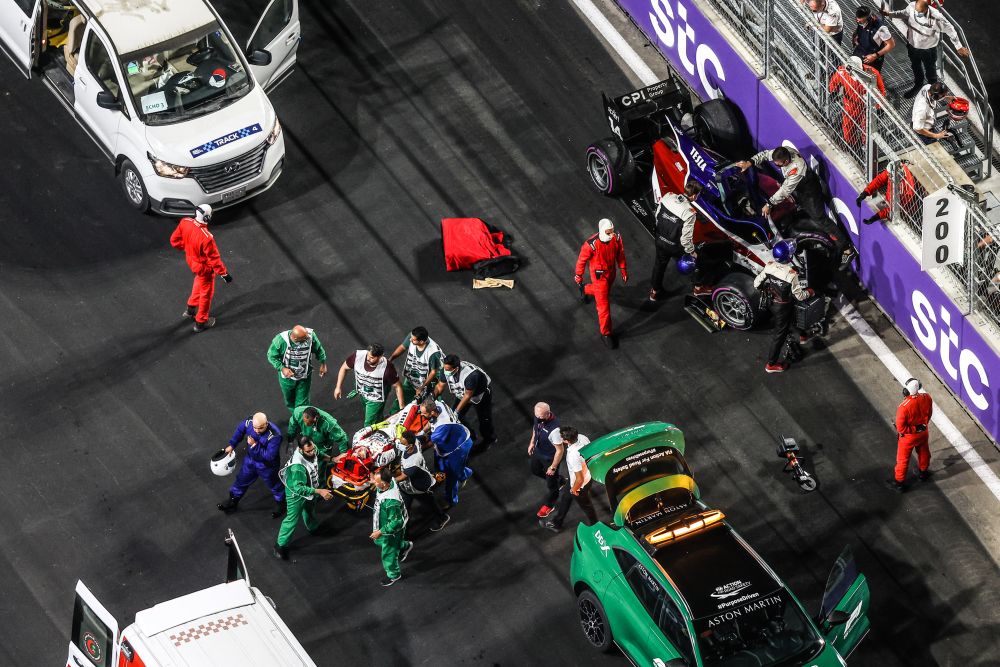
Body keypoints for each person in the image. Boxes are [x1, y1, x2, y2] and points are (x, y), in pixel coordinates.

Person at [885, 0, 969, 99]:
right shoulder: (912, 6)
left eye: (920, 13)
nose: (918, 15)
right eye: (916, 12)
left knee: (930, 69)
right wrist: (889, 14)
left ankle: (933, 91)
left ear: (926, 9)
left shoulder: (937, 17)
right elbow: (903, 13)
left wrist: (958, 46)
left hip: (928, 49)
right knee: (915, 65)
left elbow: (950, 29)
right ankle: (918, 84)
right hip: (912, 44)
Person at [753, 240, 815, 374]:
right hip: (783, 307)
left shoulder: (769, 266)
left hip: (771, 303)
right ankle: (771, 364)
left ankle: (802, 335)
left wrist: (766, 288)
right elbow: (799, 296)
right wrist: (810, 292)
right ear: (788, 257)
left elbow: (756, 283)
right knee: (779, 335)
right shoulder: (791, 275)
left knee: (789, 318)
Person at [169, 204, 231, 333]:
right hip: (204, 269)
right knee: (206, 294)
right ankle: (201, 322)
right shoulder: (207, 238)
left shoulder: (185, 222)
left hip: (192, 262)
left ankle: (190, 309)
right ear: (207, 218)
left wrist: (187, 249)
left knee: (199, 283)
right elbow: (214, 260)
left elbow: (174, 241)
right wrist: (224, 274)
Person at [274, 436, 333, 560]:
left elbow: (319, 454)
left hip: (309, 485)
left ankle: (312, 527)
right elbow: (298, 488)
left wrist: (333, 459)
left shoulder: (311, 449)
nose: (312, 452)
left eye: (312, 449)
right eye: (308, 451)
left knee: (310, 508)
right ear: (300, 450)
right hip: (295, 493)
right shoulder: (298, 467)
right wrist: (319, 491)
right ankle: (280, 545)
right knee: (292, 519)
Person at [216, 413, 285, 518]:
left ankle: (281, 504)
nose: (257, 430)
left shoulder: (275, 435)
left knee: (274, 485)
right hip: (250, 461)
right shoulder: (249, 422)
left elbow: (269, 456)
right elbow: (240, 430)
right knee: (241, 481)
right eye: (255, 428)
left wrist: (254, 445)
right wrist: (232, 445)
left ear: (267, 423)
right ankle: (232, 502)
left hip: (267, 466)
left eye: (260, 428)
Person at [575, 218, 628, 348]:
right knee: (604, 307)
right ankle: (606, 333)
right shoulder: (590, 245)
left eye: (612, 232)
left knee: (604, 293)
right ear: (602, 231)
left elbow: (620, 253)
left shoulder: (616, 237)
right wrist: (578, 275)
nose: (612, 235)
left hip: (611, 273)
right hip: (599, 278)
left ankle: (585, 289)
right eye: (608, 233)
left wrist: (623, 269)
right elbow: (581, 260)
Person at [737, 147, 826, 223]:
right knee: (803, 205)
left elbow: (784, 191)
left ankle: (838, 240)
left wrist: (769, 204)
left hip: (809, 188)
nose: (777, 166)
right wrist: (749, 163)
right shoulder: (784, 152)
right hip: (797, 186)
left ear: (786, 161)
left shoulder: (797, 170)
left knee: (819, 218)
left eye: (779, 165)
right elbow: (765, 154)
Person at [649, 182, 702, 302]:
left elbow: (657, 216)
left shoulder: (668, 196)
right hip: (675, 246)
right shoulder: (690, 213)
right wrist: (691, 252)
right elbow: (685, 239)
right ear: (694, 196)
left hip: (659, 240)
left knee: (659, 265)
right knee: (696, 260)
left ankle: (654, 292)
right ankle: (698, 288)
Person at [541, 427, 598, 532]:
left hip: (579, 484)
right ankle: (557, 523)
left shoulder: (573, 455)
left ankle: (596, 526)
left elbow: (579, 478)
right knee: (566, 498)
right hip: (582, 477)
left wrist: (575, 489)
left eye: (561, 437)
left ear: (566, 441)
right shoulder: (582, 437)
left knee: (586, 505)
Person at [334, 343, 405, 427]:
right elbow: (344, 368)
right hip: (362, 393)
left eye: (372, 357)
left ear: (380, 357)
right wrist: (338, 387)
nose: (368, 359)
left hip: (376, 399)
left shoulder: (387, 368)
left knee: (369, 425)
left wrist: (402, 408)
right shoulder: (357, 356)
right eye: (368, 355)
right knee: (375, 419)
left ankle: (371, 436)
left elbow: (398, 386)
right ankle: (379, 424)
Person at [436, 354, 496, 448]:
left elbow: (468, 396)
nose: (445, 371)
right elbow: (440, 386)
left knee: (484, 419)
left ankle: (490, 439)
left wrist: (456, 411)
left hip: (480, 395)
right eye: (445, 368)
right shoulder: (446, 369)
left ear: (456, 368)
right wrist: (431, 397)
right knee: (457, 417)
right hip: (462, 392)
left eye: (448, 370)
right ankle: (471, 435)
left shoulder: (470, 376)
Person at [828, 56, 886, 152]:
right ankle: (850, 143)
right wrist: (833, 91)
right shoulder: (842, 71)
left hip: (868, 105)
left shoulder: (872, 73)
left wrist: (878, 106)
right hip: (850, 104)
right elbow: (834, 82)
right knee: (848, 125)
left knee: (867, 128)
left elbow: (881, 90)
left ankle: (866, 145)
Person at [395, 429, 450, 532]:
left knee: (430, 503)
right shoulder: (414, 442)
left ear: (410, 446)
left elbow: (402, 477)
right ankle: (403, 530)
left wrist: (387, 481)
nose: (399, 444)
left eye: (402, 444)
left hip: (418, 487)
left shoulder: (413, 462)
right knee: (404, 507)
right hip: (407, 487)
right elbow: (423, 438)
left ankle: (442, 518)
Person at [267, 325, 329, 413]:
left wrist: (323, 363)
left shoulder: (310, 336)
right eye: (304, 339)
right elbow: (271, 356)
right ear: (295, 339)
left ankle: (301, 418)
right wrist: (282, 368)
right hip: (287, 379)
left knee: (302, 403)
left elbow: (319, 350)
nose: (308, 338)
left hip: (304, 376)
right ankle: (296, 416)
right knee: (289, 400)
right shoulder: (280, 341)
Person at [887, 378, 934, 491]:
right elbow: (930, 413)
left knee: (903, 459)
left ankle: (899, 483)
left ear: (906, 391)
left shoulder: (903, 407)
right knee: (924, 452)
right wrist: (922, 426)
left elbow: (901, 428)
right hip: (923, 432)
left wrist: (914, 429)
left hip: (908, 438)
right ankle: (923, 473)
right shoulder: (927, 397)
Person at [370, 467, 413, 586]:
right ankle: (405, 546)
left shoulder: (391, 502)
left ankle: (394, 574)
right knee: (393, 544)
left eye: (376, 481)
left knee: (388, 552)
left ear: (383, 484)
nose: (374, 482)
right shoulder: (390, 480)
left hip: (392, 530)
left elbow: (396, 522)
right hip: (391, 522)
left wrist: (380, 532)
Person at [388, 326, 445, 408]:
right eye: (411, 337)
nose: (410, 340)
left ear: (421, 342)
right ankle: (396, 413)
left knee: (426, 405)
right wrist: (390, 360)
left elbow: (433, 372)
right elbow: (402, 347)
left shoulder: (433, 353)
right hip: (414, 373)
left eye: (413, 339)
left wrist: (422, 387)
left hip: (429, 379)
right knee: (402, 397)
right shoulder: (413, 336)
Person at [427, 411, 474, 508]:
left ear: (431, 412)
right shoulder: (438, 406)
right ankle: (464, 473)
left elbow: (428, 443)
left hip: (459, 447)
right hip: (452, 441)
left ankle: (451, 500)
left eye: (424, 413)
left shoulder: (441, 428)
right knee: (441, 466)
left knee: (451, 477)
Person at [527, 402, 564, 519]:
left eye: (541, 417)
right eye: (536, 416)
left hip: (550, 458)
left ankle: (550, 504)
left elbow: (560, 450)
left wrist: (553, 467)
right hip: (538, 452)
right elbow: (535, 429)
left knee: (551, 485)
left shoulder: (555, 430)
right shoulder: (538, 416)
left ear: (548, 414)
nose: (538, 418)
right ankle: (561, 480)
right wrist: (532, 442)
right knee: (535, 470)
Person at [857, 163, 921, 223]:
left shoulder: (906, 191)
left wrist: (877, 216)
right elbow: (879, 179)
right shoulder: (897, 168)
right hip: (891, 200)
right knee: (871, 205)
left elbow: (893, 208)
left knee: (887, 217)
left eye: (889, 175)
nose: (888, 175)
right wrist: (865, 192)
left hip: (904, 212)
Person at [852, 6, 895, 72]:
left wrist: (875, 56)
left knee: (869, 79)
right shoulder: (860, 21)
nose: (857, 20)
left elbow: (891, 44)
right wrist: (856, 35)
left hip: (872, 58)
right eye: (857, 18)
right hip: (859, 51)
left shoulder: (881, 28)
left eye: (860, 19)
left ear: (868, 18)